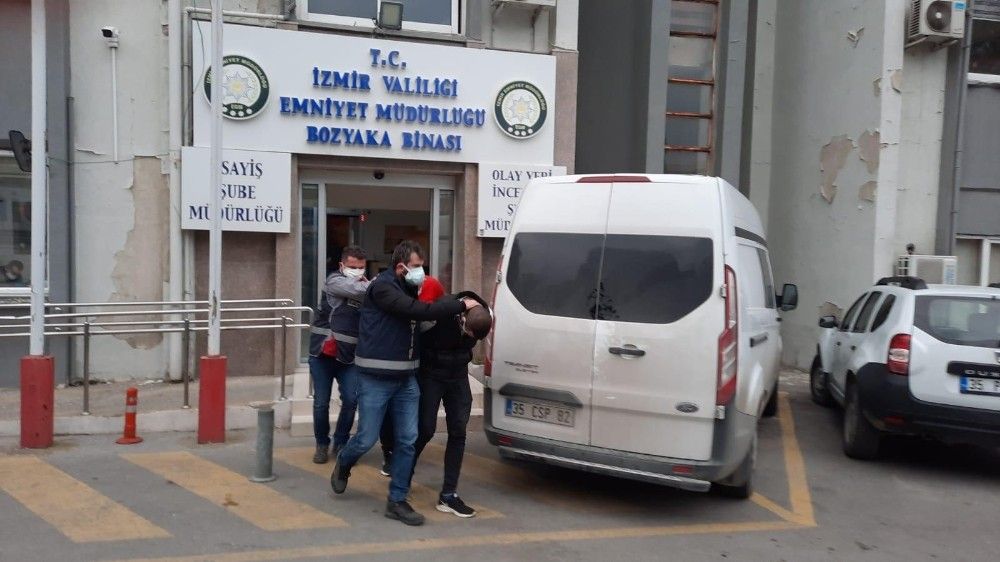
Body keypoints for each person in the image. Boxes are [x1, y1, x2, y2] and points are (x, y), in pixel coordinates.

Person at [331, 240, 480, 527]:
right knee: (366, 438)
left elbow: (424, 321)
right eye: (416, 267)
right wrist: (461, 304)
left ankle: (397, 500)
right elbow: (417, 311)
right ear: (401, 267)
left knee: (408, 440)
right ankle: (345, 461)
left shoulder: (411, 289)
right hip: (376, 377)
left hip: (407, 379)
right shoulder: (383, 288)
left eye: (422, 266)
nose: (421, 272)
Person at [410, 290, 492, 518]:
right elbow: (417, 337)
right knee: (425, 429)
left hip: (458, 375)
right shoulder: (443, 310)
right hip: (431, 374)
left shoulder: (483, 313)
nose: (468, 337)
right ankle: (402, 477)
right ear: (463, 318)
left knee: (458, 432)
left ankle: (448, 495)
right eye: (467, 332)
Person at [377, 273, 447, 477]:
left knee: (413, 413)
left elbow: (439, 312)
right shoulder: (388, 288)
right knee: (389, 412)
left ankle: (403, 455)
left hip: (421, 362)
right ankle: (389, 452)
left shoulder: (432, 284)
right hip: (392, 358)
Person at [308, 246, 369, 464]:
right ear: (342, 265)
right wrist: (377, 284)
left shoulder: (364, 287)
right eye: (353, 267)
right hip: (321, 355)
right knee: (321, 403)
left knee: (351, 401)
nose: (357, 271)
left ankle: (341, 442)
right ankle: (321, 444)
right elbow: (356, 289)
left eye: (361, 267)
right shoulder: (334, 281)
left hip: (348, 358)